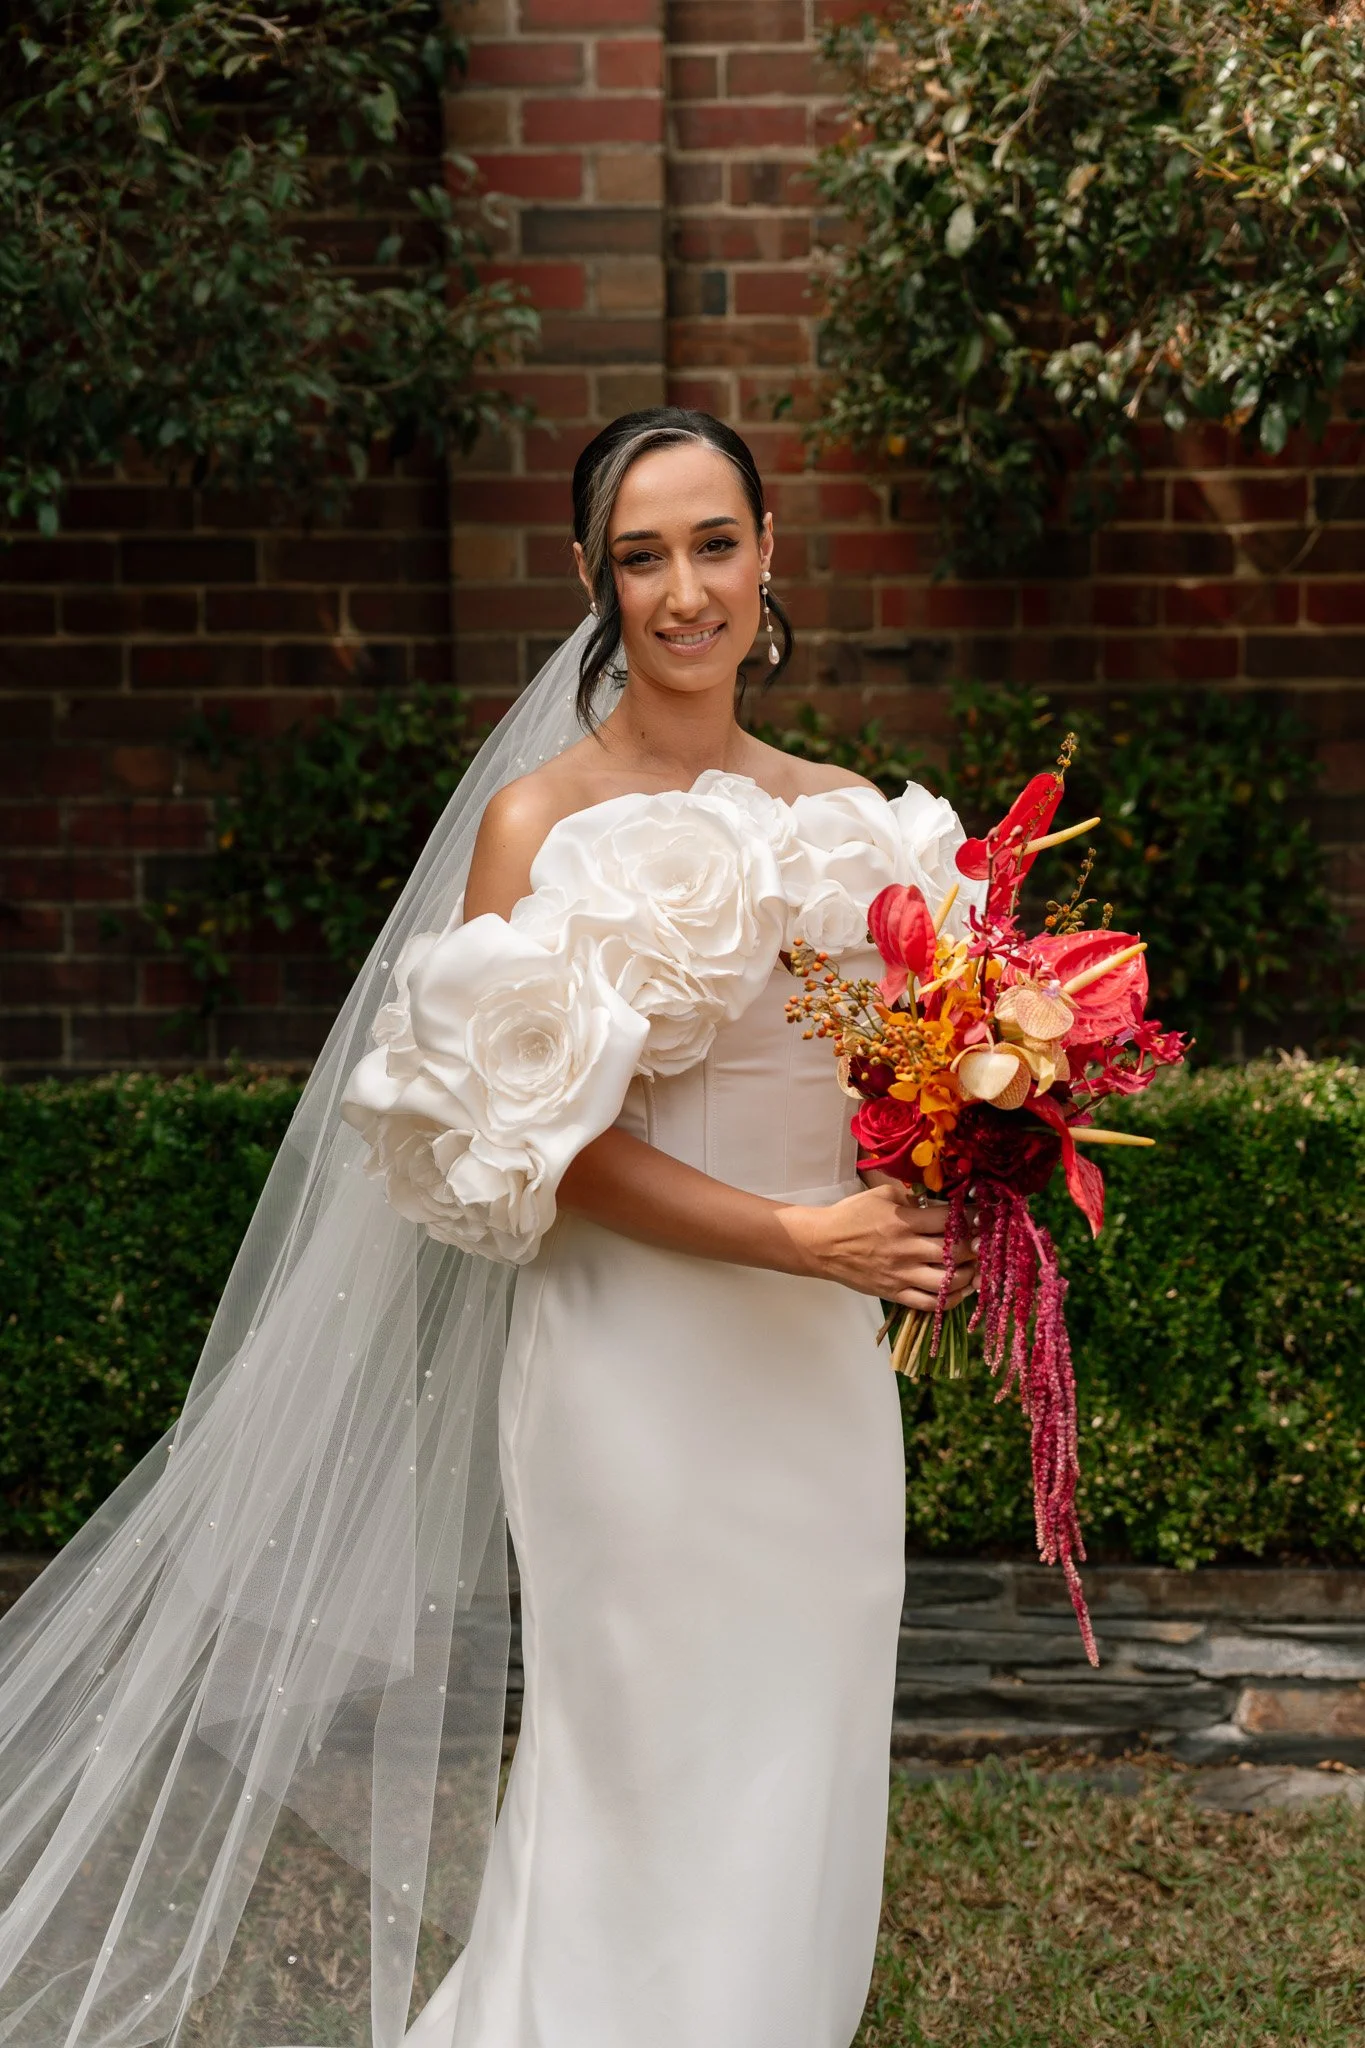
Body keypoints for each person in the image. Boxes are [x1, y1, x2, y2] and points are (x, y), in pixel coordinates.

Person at [0, 409, 978, 2048]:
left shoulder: (855, 817)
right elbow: (530, 1144)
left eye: (715, 544)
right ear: (589, 576)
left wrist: (959, 1149)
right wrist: (803, 1240)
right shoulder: (540, 825)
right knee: (644, 1775)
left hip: (816, 1392)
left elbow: (885, 1093)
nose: (686, 590)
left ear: (769, 556)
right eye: (646, 555)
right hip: (633, 1381)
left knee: (795, 1780)